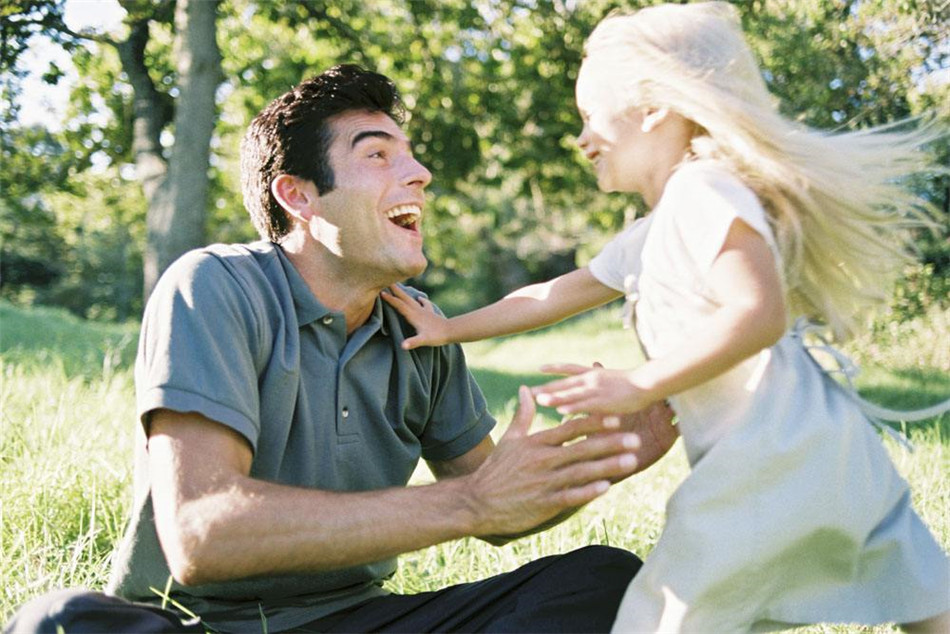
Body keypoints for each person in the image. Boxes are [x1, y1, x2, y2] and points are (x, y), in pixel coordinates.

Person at [4, 64, 681, 634]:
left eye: (410, 155)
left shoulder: (420, 332)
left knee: (603, 584)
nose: (419, 175)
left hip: (360, 621)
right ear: (297, 195)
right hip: (198, 626)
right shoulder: (213, 287)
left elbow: (497, 510)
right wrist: (471, 502)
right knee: (59, 623)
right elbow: (202, 534)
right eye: (377, 154)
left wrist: (608, 457)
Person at [383, 3, 950, 632]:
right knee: (919, 593)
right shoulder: (652, 232)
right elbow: (547, 297)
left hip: (764, 462)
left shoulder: (705, 191)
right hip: (822, 448)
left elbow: (758, 313)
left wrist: (639, 385)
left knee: (663, 619)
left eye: (590, 116)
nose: (581, 138)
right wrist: (448, 328)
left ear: (653, 109)